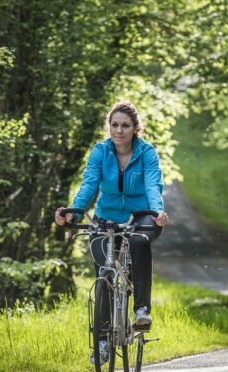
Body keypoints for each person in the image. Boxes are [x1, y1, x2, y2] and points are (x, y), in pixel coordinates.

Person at [54, 100, 169, 365]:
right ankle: (102, 341)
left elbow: (153, 185)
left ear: (135, 128)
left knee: (139, 242)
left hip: (142, 215)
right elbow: (88, 185)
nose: (119, 130)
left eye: (125, 125)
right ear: (109, 127)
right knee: (104, 272)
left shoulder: (147, 153)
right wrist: (74, 211)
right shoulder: (100, 152)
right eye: (115, 125)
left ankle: (141, 310)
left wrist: (157, 212)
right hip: (106, 218)